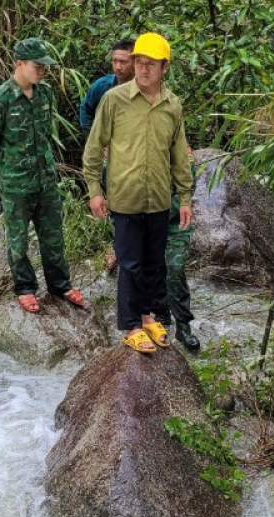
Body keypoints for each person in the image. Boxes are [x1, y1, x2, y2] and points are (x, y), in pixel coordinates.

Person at [83, 32, 193, 354]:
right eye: (140, 63)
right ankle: (130, 324)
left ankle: (147, 316)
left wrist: (184, 198)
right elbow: (93, 148)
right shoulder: (115, 100)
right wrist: (94, 190)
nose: (143, 69)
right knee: (130, 263)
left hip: (159, 197)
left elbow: (178, 156)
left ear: (164, 67)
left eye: (151, 64)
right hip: (126, 196)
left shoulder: (172, 106)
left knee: (153, 262)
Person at [0, 37, 88, 314]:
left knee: (53, 235)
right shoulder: (0, 99)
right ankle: (25, 288)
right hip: (16, 183)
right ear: (19, 64)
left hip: (45, 179)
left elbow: (44, 135)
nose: (42, 71)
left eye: (44, 67)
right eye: (37, 66)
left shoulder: (45, 93)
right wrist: (8, 170)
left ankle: (60, 284)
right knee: (18, 239)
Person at [153, 146, 201, 351]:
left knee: (175, 268)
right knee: (154, 268)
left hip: (175, 223)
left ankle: (183, 326)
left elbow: (189, 179)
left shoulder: (179, 144)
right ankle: (162, 318)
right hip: (149, 220)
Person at [78, 39, 135, 132]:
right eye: (115, 61)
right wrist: (95, 137)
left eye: (123, 62)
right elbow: (86, 110)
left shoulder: (144, 88)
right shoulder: (101, 86)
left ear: (135, 62)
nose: (118, 67)